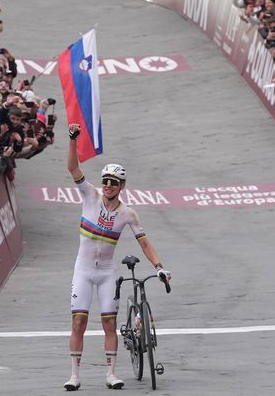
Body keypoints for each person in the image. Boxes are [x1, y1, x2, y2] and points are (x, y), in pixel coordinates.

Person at [63, 123, 169, 391]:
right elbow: (73, 168)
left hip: (107, 272)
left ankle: (111, 374)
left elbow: (145, 243)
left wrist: (159, 267)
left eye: (114, 182)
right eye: (105, 181)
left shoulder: (128, 214)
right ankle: (74, 375)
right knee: (79, 321)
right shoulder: (90, 195)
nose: (108, 186)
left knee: (109, 323)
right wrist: (73, 140)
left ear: (122, 186)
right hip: (83, 270)